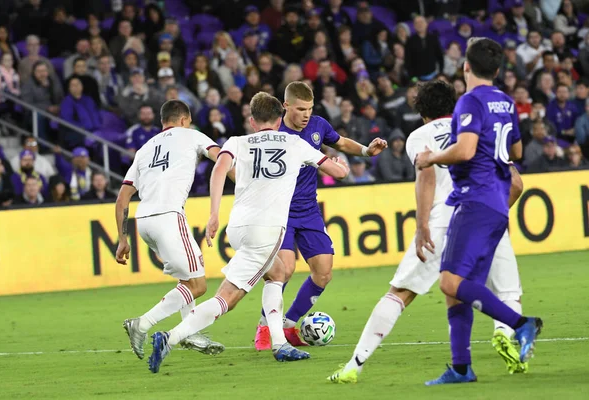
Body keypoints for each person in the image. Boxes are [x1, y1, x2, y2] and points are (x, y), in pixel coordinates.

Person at [328, 79, 531, 384]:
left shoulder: (419, 136)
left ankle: (353, 366)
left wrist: (422, 225)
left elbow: (427, 178)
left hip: (444, 219)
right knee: (500, 290)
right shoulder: (475, 128)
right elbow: (515, 183)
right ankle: (500, 339)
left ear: (421, 110)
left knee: (400, 293)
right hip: (486, 214)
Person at [147, 92, 350, 372]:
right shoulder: (294, 142)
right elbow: (337, 174)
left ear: (252, 121)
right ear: (280, 120)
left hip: (238, 227)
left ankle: (280, 344)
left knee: (278, 273)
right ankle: (169, 338)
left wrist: (214, 214)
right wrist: (340, 165)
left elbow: (219, 169)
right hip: (265, 231)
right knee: (227, 298)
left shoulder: (237, 142)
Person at [415, 37, 542, 385]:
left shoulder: (470, 101)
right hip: (498, 201)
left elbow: (466, 150)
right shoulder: (505, 102)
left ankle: (522, 324)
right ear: (498, 70)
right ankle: (460, 367)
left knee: (449, 281)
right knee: (460, 286)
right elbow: (516, 149)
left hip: (475, 199)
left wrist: (432, 157)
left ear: (465, 66)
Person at [253, 81, 388, 350]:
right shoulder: (273, 130)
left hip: (309, 210)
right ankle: (266, 327)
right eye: (301, 109)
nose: (306, 114)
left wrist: (365, 150)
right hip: (280, 212)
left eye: (310, 108)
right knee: (285, 269)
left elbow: (339, 142)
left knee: (323, 272)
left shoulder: (318, 125)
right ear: (285, 106)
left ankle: (289, 324)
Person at [116, 100, 227, 362]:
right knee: (198, 285)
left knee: (186, 279)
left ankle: (190, 331)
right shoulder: (192, 135)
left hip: (144, 221)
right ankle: (141, 324)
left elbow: (123, 197)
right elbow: (222, 158)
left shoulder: (144, 148)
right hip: (168, 216)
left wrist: (122, 239)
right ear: (184, 120)